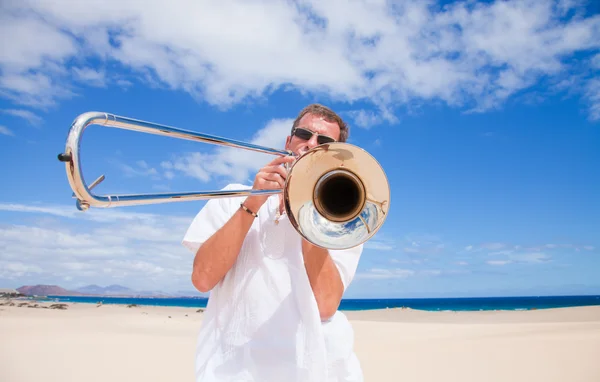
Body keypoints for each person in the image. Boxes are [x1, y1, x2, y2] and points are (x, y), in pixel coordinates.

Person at [182, 104, 364, 382]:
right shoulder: (232, 196)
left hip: (317, 369)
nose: (311, 144)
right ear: (288, 141)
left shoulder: (344, 214)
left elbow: (326, 305)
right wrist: (253, 200)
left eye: (325, 142)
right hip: (232, 368)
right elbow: (202, 279)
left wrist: (309, 212)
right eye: (304, 134)